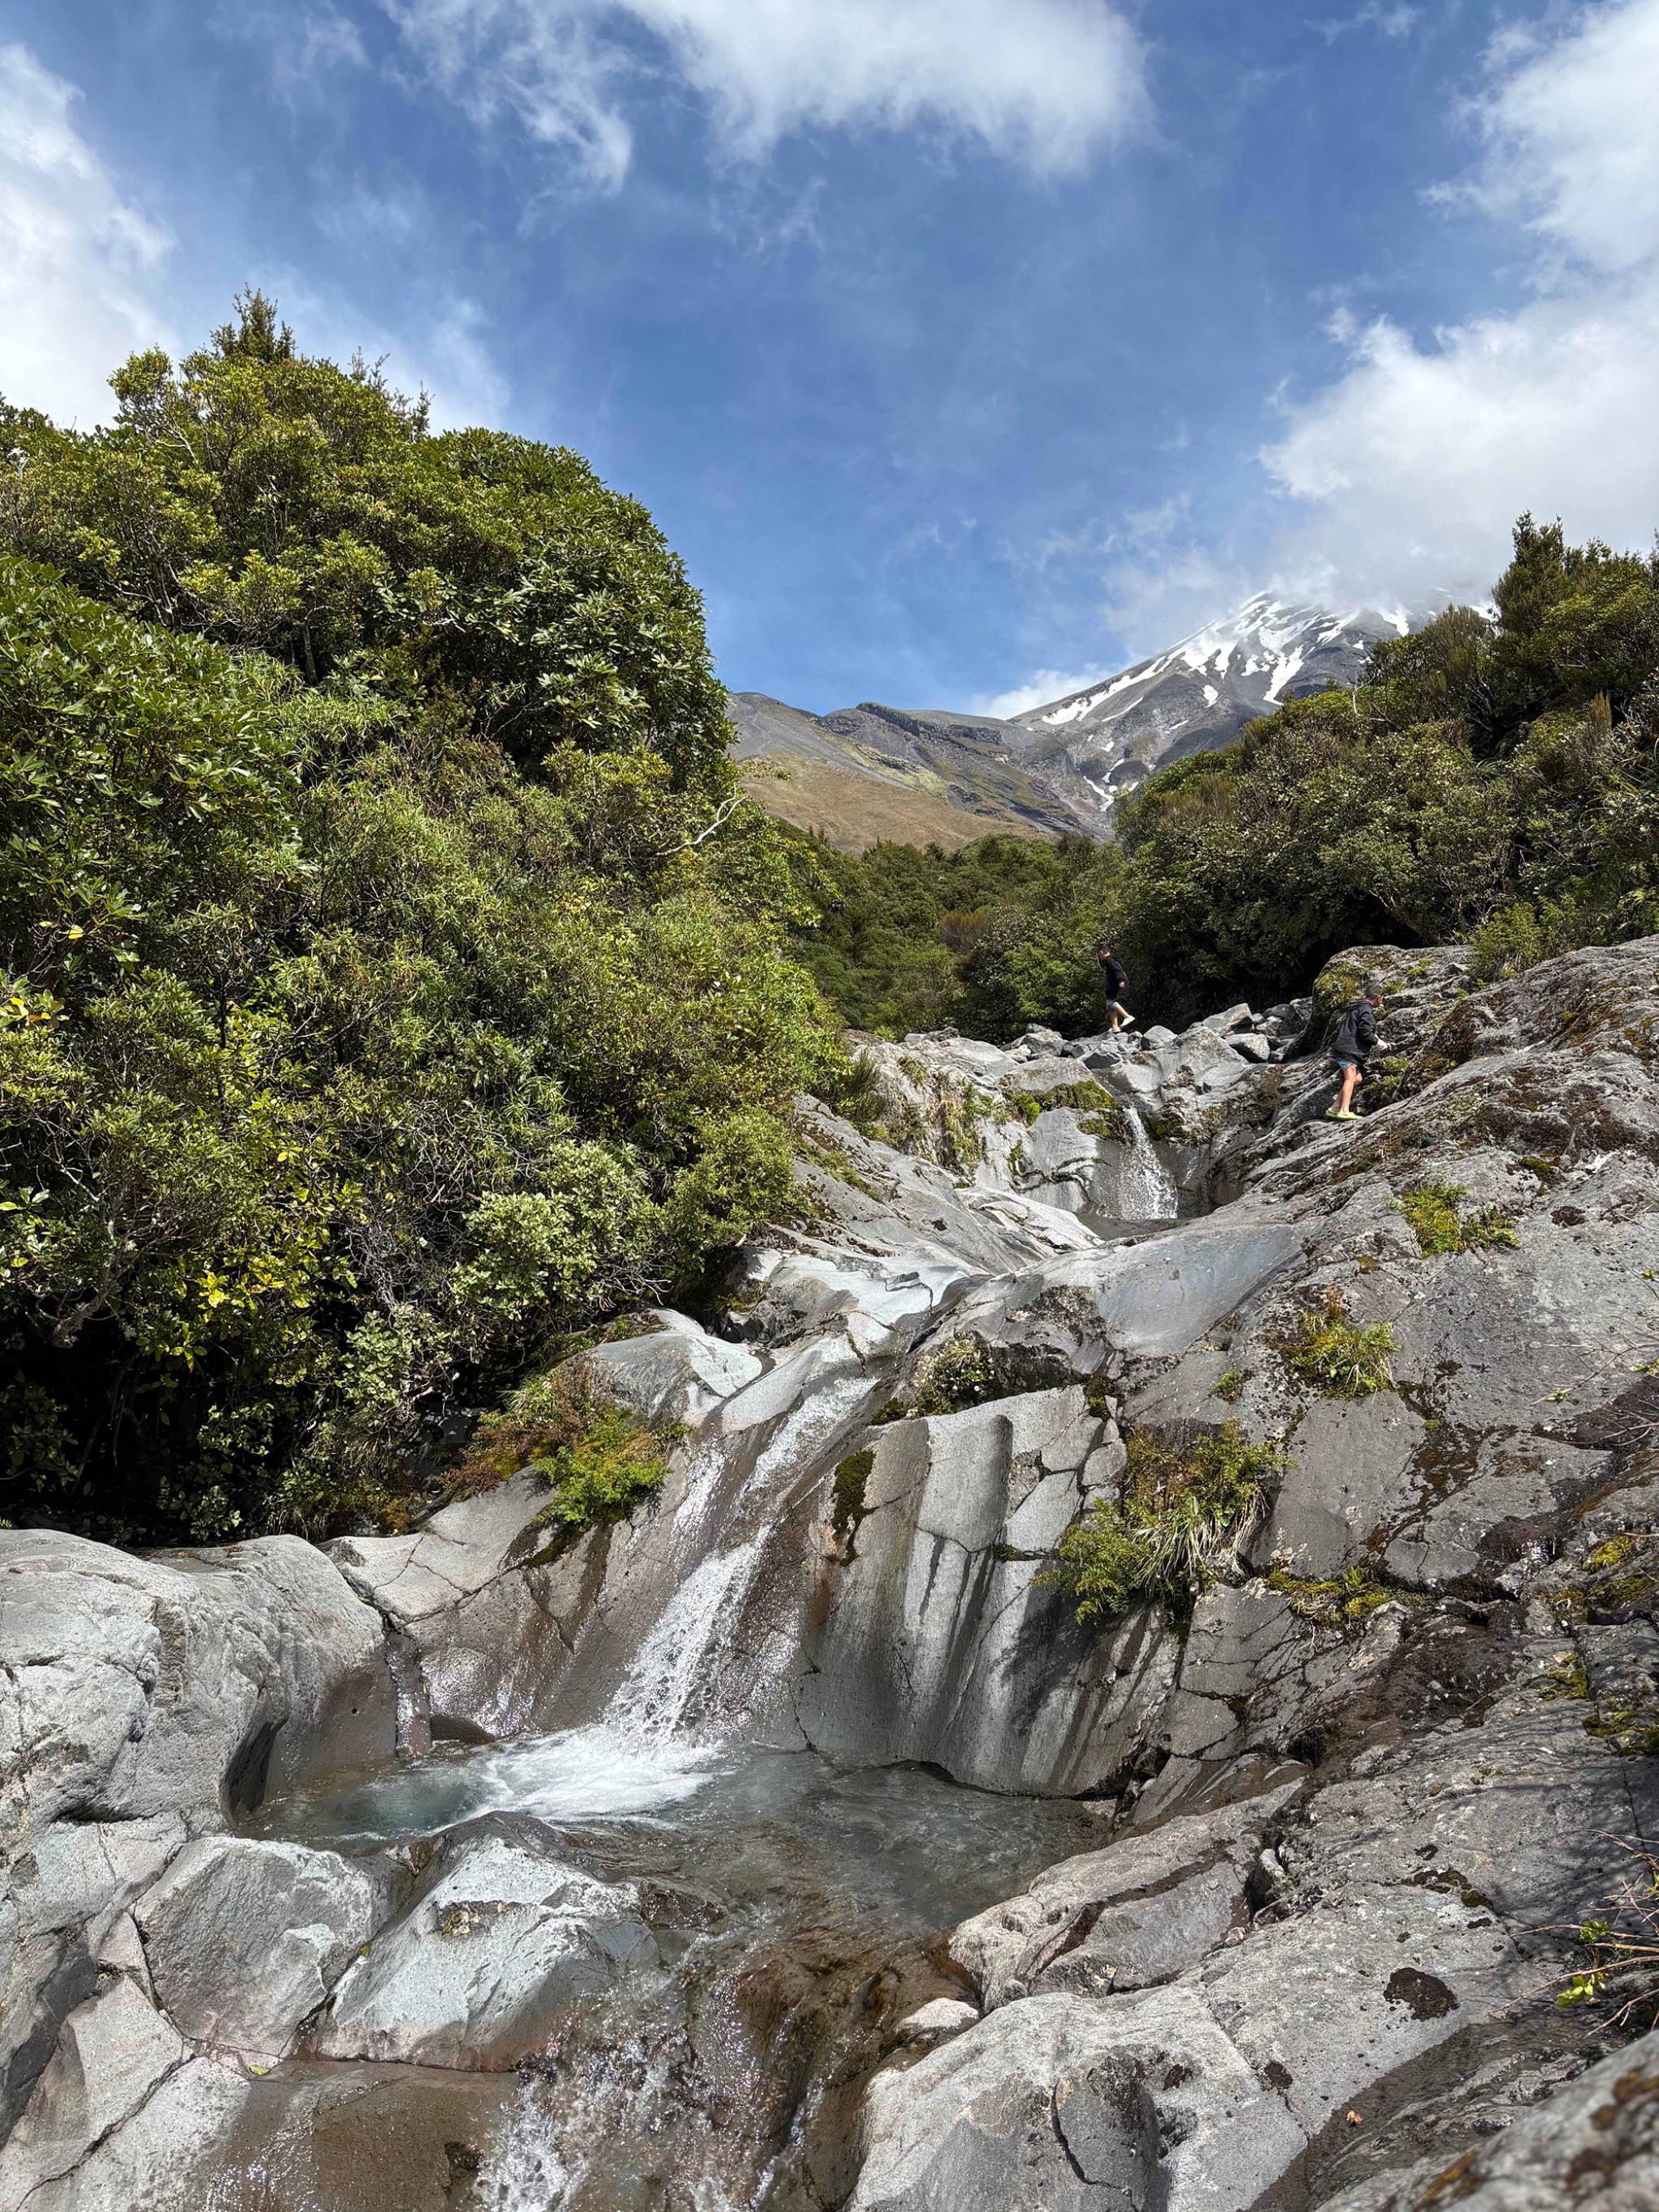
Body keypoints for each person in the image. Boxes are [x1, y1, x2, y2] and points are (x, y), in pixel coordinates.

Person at [1324, 978, 1386, 1120]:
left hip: (1344, 1049)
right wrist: (1381, 1044)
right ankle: (1344, 1110)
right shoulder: (1366, 1011)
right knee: (1350, 1078)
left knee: (1357, 1078)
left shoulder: (1358, 1007)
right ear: (1378, 998)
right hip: (1348, 1051)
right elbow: (1366, 1033)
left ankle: (1335, 1108)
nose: (1382, 1001)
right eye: (1382, 999)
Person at [1095, 941, 1135, 1032]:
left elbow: (1117, 970)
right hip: (1115, 985)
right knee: (1109, 1003)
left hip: (1121, 982)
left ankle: (1127, 1017)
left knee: (1113, 1003)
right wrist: (1107, 991)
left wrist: (1121, 980)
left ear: (1101, 952)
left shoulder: (1109, 960)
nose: (1099, 957)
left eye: (1098, 954)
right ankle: (1115, 1027)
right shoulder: (1111, 960)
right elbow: (1111, 977)